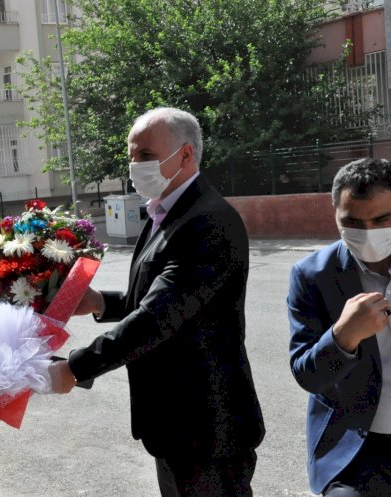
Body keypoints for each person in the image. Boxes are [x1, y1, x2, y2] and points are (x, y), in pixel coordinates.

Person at [49, 107, 265, 496]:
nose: (135, 166)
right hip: (176, 426)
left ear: (185, 155)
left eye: (145, 156)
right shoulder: (163, 212)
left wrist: (76, 367)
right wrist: (102, 303)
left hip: (208, 427)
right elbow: (157, 296)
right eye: (131, 156)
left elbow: (161, 315)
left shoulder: (208, 221)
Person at [288, 158, 391, 497]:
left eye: (382, 220)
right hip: (359, 459)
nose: (367, 233)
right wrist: (342, 336)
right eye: (352, 222)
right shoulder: (313, 276)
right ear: (334, 213)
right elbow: (308, 375)